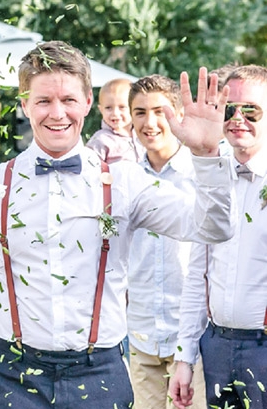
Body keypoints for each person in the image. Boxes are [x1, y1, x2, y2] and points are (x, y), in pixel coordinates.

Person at [0, 40, 234, 408]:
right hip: (12, 376)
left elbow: (213, 229)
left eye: (69, 100)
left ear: (88, 103)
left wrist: (207, 156)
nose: (57, 113)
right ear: (25, 104)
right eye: (44, 101)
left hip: (100, 375)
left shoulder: (125, 182)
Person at [169, 64, 267, 409]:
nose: (238, 118)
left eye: (251, 109)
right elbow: (197, 274)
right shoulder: (211, 177)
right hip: (217, 345)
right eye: (229, 109)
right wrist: (184, 357)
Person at [125, 74, 206, 409]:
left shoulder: (202, 175)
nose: (150, 122)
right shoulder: (122, 179)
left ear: (178, 115)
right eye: (140, 112)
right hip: (140, 335)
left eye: (160, 111)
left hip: (192, 337)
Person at [86, 78, 145, 163]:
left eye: (122, 107)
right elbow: (89, 168)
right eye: (108, 108)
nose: (115, 113)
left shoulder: (141, 135)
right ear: (101, 109)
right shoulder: (101, 139)